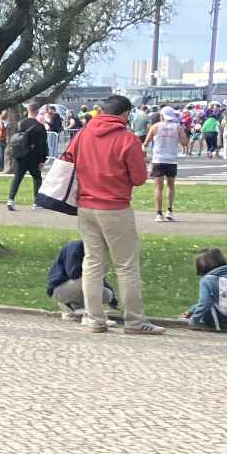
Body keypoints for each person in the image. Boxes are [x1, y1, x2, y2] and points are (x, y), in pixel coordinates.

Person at [71, 94, 164, 336]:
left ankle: (94, 318)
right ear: (125, 114)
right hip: (115, 207)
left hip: (86, 204)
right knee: (126, 266)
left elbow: (70, 161)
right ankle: (134, 321)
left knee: (92, 263)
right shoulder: (127, 139)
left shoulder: (83, 133)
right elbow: (139, 178)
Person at [45, 239, 116, 322]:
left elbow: (98, 280)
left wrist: (112, 295)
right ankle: (90, 315)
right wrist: (90, 266)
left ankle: (76, 308)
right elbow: (73, 273)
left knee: (108, 294)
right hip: (59, 289)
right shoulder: (76, 246)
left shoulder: (95, 253)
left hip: (75, 285)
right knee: (90, 277)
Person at [187, 247, 227, 330]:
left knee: (207, 304)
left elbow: (205, 303)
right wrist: (191, 311)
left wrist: (194, 320)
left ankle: (214, 324)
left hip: (215, 317)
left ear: (201, 266)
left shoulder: (207, 280)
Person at [143, 107, 182, 222]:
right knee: (171, 186)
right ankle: (169, 211)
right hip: (171, 159)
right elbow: (185, 142)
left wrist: (144, 156)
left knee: (158, 188)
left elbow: (146, 143)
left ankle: (159, 213)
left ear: (161, 115)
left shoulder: (155, 127)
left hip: (158, 159)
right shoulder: (177, 127)